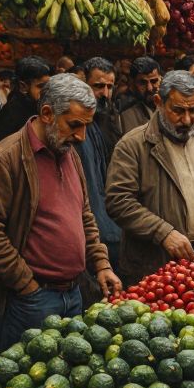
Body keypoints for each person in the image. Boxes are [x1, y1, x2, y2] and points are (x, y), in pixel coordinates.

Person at [0, 75, 121, 350]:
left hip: (74, 294)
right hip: (31, 300)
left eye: (86, 126)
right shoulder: (4, 159)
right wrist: (25, 283)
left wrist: (101, 265)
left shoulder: (68, 153)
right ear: (47, 113)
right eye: (74, 125)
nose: (81, 136)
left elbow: (84, 215)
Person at [106, 71, 194, 283]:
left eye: (193, 110)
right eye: (178, 111)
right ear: (158, 103)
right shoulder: (133, 146)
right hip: (157, 267)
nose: (188, 119)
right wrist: (163, 232)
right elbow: (118, 201)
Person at [77, 59, 122, 268]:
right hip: (91, 232)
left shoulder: (105, 119)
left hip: (108, 226)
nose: (105, 93)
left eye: (109, 87)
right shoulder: (78, 129)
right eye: (98, 86)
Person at [0, 56, 51, 142]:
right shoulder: (11, 115)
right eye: (41, 87)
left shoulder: (37, 107)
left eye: (48, 86)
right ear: (23, 86)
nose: (46, 92)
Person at [115, 56, 163, 139]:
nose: (149, 88)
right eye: (143, 82)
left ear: (160, 79)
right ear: (132, 82)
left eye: (154, 81)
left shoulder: (166, 102)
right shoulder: (125, 110)